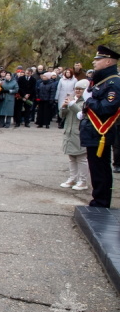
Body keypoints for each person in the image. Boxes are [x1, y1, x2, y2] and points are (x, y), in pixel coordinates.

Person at [80, 45, 120, 208]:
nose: (94, 62)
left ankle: (101, 202)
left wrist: (89, 100)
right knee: (96, 168)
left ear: (108, 61)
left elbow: (107, 107)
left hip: (101, 132)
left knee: (101, 169)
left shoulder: (114, 83)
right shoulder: (102, 81)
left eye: (98, 59)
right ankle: (98, 199)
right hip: (93, 132)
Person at [60, 79, 90, 191]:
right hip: (69, 132)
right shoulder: (72, 100)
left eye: (80, 89)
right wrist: (63, 106)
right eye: (76, 89)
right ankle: (72, 178)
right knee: (71, 157)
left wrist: (72, 104)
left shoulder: (86, 101)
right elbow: (62, 115)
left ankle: (82, 181)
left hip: (80, 133)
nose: (77, 91)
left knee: (82, 158)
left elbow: (82, 115)